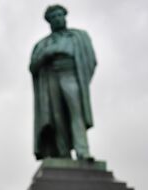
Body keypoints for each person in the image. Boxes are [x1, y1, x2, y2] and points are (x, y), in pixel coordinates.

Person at [29, 4, 97, 160]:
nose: (57, 19)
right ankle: (63, 153)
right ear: (49, 22)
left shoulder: (79, 37)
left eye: (60, 16)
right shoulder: (42, 44)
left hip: (71, 75)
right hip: (51, 78)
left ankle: (83, 151)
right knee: (57, 118)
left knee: (76, 113)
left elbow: (91, 60)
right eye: (53, 18)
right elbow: (33, 67)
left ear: (65, 17)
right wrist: (46, 55)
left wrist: (82, 80)